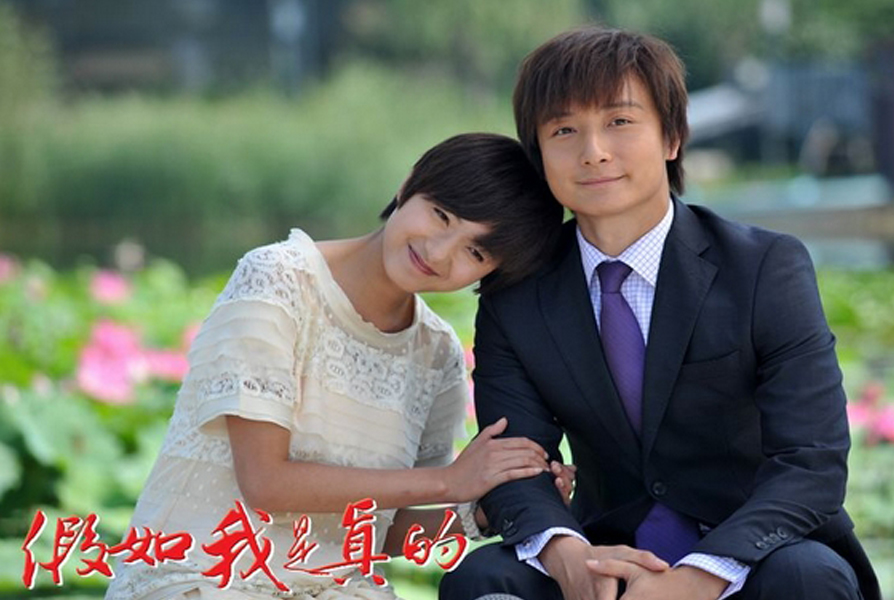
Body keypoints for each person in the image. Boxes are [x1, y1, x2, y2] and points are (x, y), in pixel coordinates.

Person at [439, 27, 881, 600]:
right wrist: (570, 558)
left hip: (753, 556)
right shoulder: (516, 295)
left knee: (807, 577)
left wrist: (696, 578)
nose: (593, 151)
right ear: (539, 154)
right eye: (564, 130)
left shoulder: (765, 268)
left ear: (672, 137)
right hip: (606, 550)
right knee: (480, 580)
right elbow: (514, 461)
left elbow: (811, 461)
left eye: (619, 121)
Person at [104, 132, 568, 600]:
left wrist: (484, 512)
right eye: (441, 215)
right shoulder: (277, 279)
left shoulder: (437, 352)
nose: (439, 252)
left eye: (476, 252)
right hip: (203, 577)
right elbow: (265, 482)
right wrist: (449, 482)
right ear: (409, 184)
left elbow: (384, 527)